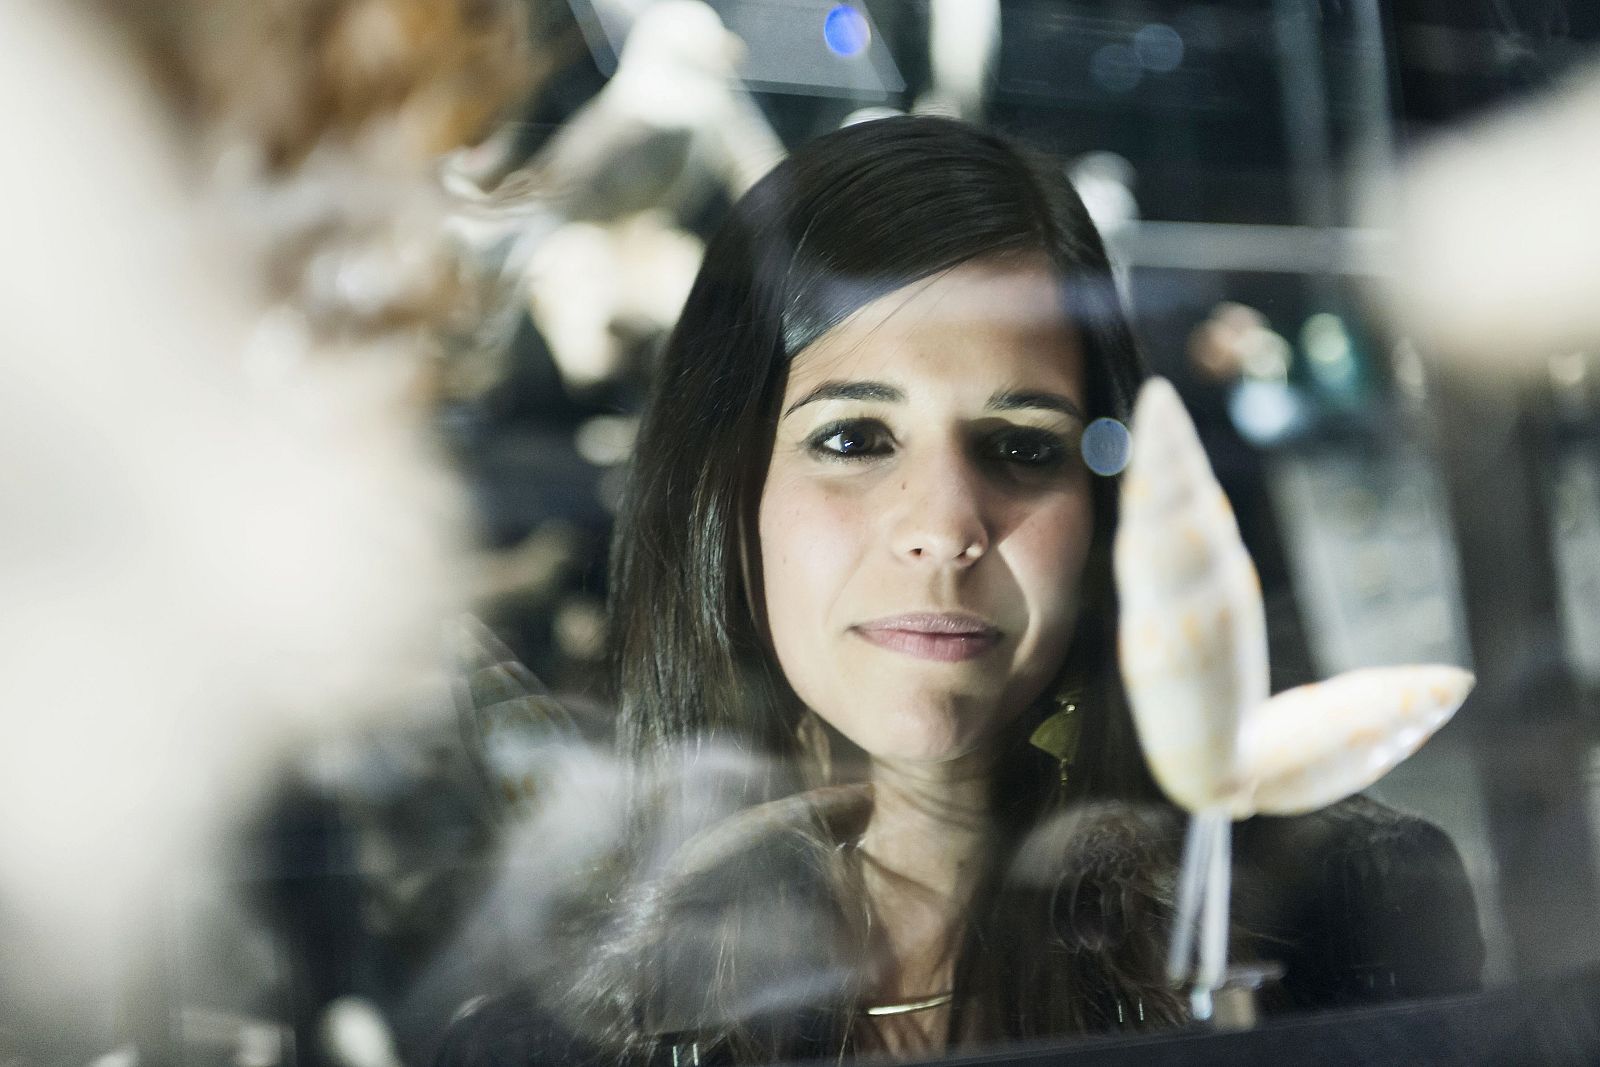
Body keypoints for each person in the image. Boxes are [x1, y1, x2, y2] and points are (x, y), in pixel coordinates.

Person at [435, 116, 1483, 1066]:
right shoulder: (567, 1029)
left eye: (1022, 446)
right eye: (853, 437)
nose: (944, 528)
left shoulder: (1343, 907)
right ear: (722, 490)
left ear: (1109, 512)